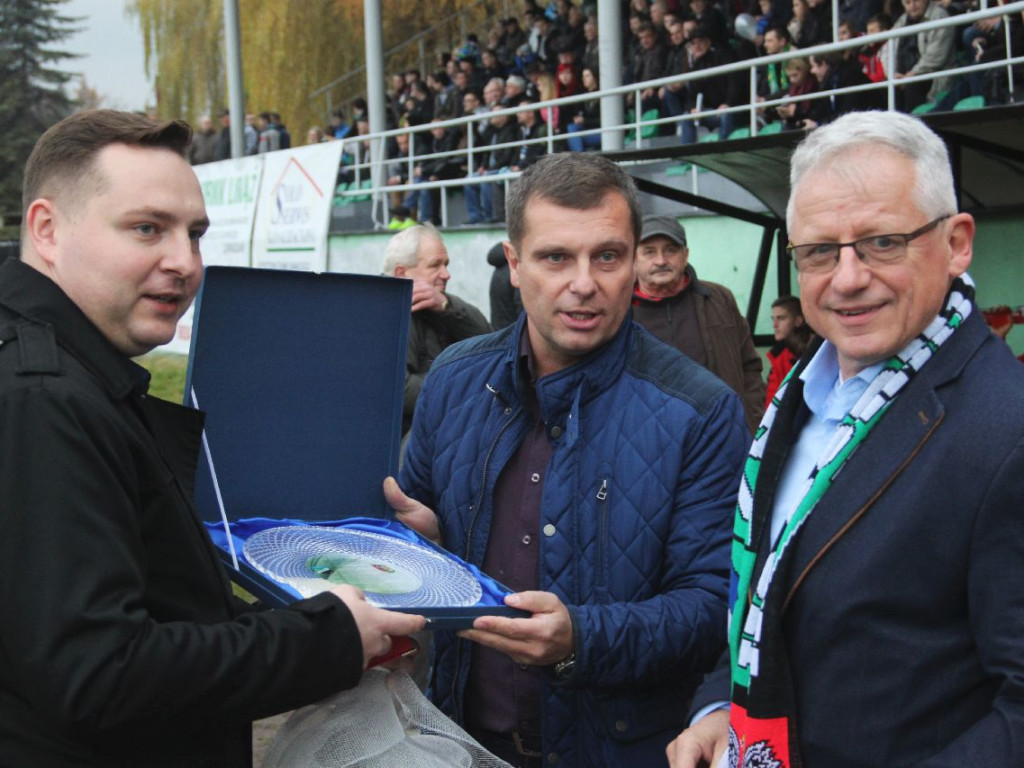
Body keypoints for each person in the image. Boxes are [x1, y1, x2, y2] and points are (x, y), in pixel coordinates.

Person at [0, 109, 425, 766]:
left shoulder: (67, 374)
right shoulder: (42, 397)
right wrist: (329, 638)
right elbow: (100, 672)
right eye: (147, 229)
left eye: (194, 234)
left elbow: (155, 607)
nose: (184, 262)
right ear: (48, 231)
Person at [667, 110, 1024, 768]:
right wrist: (721, 706)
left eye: (883, 242)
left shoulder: (1005, 429)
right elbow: (770, 588)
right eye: (820, 251)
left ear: (958, 242)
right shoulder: (798, 393)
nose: (849, 277)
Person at [382, 153, 750, 767]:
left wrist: (582, 638)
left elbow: (714, 605)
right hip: (460, 740)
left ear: (633, 260)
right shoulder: (452, 380)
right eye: (556, 258)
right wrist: (419, 541)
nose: (584, 282)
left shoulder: (702, 411)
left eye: (607, 256)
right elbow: (412, 537)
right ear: (516, 264)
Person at [631, 215, 765, 434]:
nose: (661, 260)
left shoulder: (719, 299)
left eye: (670, 250)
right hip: (649, 443)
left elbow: (749, 366)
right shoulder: (620, 311)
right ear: (634, 259)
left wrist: (749, 420)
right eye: (649, 251)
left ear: (685, 256)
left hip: (721, 437)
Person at [382, 224, 490, 435]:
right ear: (401, 273)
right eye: (435, 265)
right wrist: (463, 385)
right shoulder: (384, 314)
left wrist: (447, 307)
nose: (446, 274)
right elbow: (397, 389)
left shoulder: (441, 305)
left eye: (446, 264)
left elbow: (489, 342)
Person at [764, 295, 814, 407]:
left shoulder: (819, 349)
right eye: (773, 319)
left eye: (781, 318)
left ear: (798, 321)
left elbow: (771, 405)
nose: (774, 325)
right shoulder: (780, 356)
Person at [487, 240, 523, 329]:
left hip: (501, 332)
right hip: (515, 335)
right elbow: (523, 311)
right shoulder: (516, 270)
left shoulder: (500, 267)